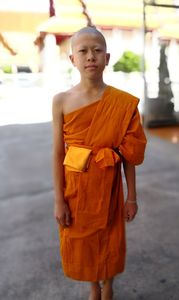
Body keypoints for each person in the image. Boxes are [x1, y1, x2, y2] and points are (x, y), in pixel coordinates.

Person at [52, 26, 147, 300]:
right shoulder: (61, 101)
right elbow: (58, 153)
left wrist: (132, 197)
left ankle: (108, 284)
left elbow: (129, 154)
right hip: (76, 187)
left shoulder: (123, 103)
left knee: (110, 239)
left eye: (97, 50)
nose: (90, 56)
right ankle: (94, 287)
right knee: (82, 242)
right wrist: (59, 200)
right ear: (73, 59)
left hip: (110, 187)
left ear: (107, 57)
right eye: (83, 51)